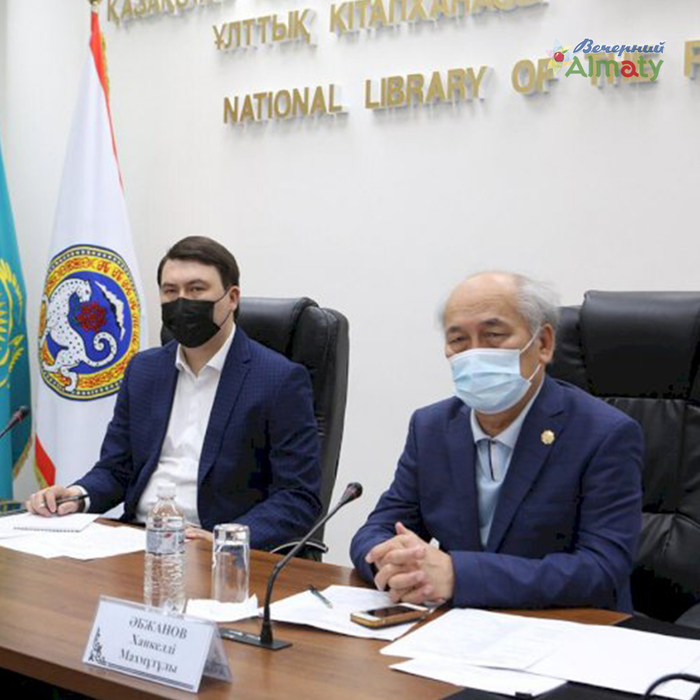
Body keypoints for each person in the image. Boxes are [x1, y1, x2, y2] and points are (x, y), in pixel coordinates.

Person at [350, 271, 643, 611]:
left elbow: (602, 569)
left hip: (564, 627)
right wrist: (393, 564)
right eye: (458, 339)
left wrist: (459, 576)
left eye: (493, 335)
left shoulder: (605, 434)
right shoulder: (431, 427)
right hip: (453, 626)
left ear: (543, 344)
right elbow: (377, 529)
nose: (475, 353)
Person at [28, 236, 322, 550]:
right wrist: (76, 496)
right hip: (136, 540)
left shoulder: (278, 380)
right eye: (170, 291)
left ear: (232, 298)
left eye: (196, 289)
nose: (182, 301)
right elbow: (117, 469)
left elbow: (297, 497)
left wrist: (226, 539)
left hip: (214, 549)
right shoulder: (144, 370)